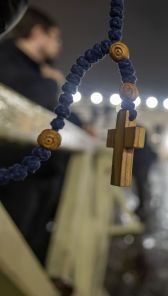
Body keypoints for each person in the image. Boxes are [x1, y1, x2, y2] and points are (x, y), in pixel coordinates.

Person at [0, 7, 66, 264]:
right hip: (14, 179)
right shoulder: (6, 57)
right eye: (55, 38)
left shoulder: (37, 69)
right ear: (38, 33)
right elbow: (25, 100)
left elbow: (55, 113)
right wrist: (51, 83)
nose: (58, 46)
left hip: (35, 177)